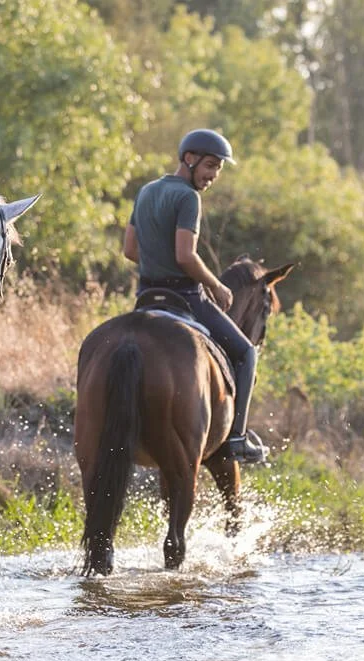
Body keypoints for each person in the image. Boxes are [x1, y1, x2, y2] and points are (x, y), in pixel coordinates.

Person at [122, 129, 269, 464]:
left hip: (146, 295)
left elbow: (130, 250)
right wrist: (216, 285)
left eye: (217, 169)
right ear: (189, 159)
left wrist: (156, 263)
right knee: (246, 353)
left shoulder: (146, 191)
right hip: (186, 297)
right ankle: (237, 438)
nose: (214, 175)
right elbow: (186, 256)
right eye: (211, 166)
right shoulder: (189, 197)